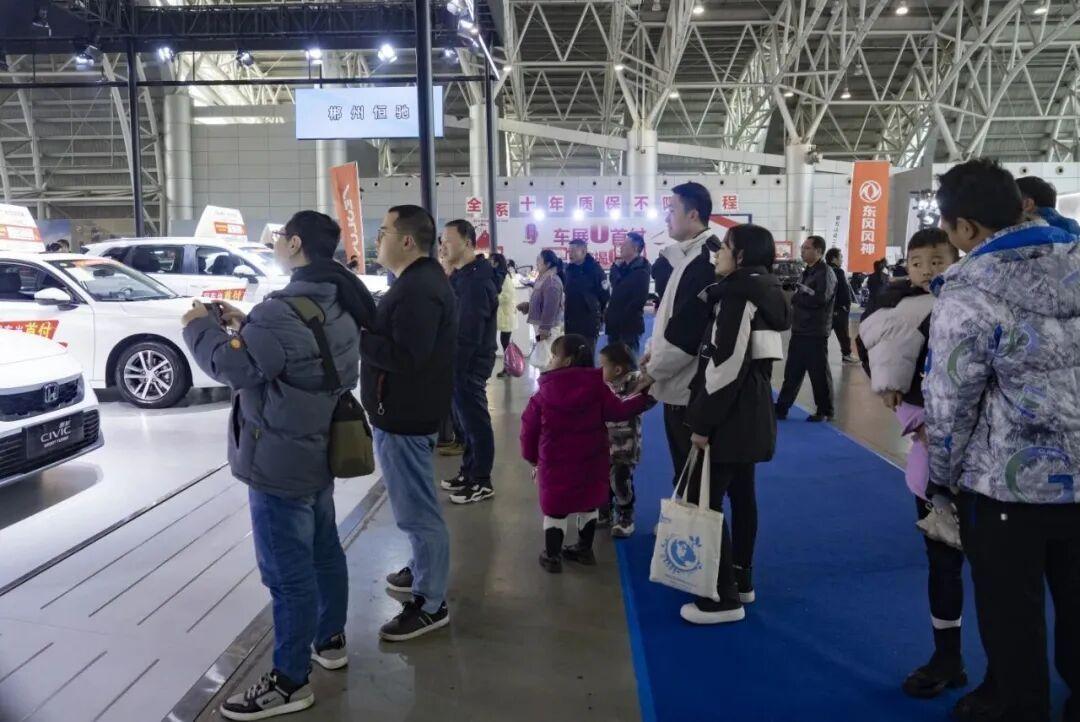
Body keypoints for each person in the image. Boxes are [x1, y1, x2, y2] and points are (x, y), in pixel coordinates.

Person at [182, 211, 375, 721]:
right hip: (319, 449)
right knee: (324, 550)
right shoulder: (340, 298)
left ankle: (289, 682)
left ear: (294, 243)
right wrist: (246, 325)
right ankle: (329, 640)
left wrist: (199, 327)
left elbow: (232, 366)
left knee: (288, 576)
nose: (275, 245)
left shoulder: (281, 311)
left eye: (280, 238)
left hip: (277, 461)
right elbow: (295, 352)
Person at [925, 158, 1080, 722]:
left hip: (1008, 484)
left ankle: (1019, 705)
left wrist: (940, 478)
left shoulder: (969, 288)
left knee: (1011, 609)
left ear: (965, 227)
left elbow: (950, 399)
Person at [858, 228, 966, 700]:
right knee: (942, 559)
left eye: (938, 261)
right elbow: (883, 366)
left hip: (994, 460)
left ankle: (1009, 672)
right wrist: (910, 416)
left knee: (1004, 571)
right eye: (918, 262)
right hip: (933, 452)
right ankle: (948, 657)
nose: (927, 270)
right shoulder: (897, 307)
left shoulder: (977, 300)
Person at [678, 224, 790, 625]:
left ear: (741, 255)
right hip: (751, 407)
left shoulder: (738, 296)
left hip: (731, 412)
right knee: (742, 495)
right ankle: (741, 579)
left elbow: (724, 367)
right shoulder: (764, 291)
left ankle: (721, 596)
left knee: (705, 500)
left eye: (725, 247)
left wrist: (703, 422)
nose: (718, 254)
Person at [362, 205, 457, 643]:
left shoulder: (419, 289)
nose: (376, 240)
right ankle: (422, 569)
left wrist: (361, 339)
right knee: (414, 506)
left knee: (418, 514)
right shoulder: (417, 282)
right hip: (405, 412)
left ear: (405, 240)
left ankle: (430, 603)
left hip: (406, 415)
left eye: (382, 231)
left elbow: (408, 357)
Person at [520, 334, 653, 573]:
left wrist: (531, 457)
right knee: (589, 503)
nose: (550, 360)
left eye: (554, 356)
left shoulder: (544, 393)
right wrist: (645, 397)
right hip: (592, 460)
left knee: (556, 509)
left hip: (555, 464)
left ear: (567, 361)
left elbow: (529, 429)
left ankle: (552, 556)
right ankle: (584, 550)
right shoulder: (599, 388)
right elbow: (619, 410)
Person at [638, 181, 719, 488]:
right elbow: (671, 317)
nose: (666, 217)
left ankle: (690, 519)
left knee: (692, 478)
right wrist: (652, 351)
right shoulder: (688, 257)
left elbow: (688, 334)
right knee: (687, 472)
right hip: (680, 382)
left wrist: (652, 372)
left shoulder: (704, 261)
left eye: (672, 210)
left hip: (690, 387)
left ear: (693, 214)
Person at [439, 219, 499, 505]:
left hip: (469, 363)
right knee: (465, 423)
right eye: (441, 241)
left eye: (447, 240)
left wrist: (456, 368)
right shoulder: (463, 276)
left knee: (475, 422)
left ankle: (482, 481)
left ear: (466, 242)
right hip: (458, 362)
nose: (443, 246)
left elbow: (469, 333)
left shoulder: (477, 281)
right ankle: (469, 471)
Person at [774, 235, 836, 422]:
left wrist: (795, 297)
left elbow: (821, 299)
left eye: (807, 248)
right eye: (802, 248)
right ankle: (782, 407)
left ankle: (825, 410)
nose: (802, 251)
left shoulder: (825, 273)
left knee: (818, 374)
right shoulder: (807, 272)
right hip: (800, 329)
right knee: (792, 371)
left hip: (815, 331)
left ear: (819, 251)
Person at [598, 342, 645, 537]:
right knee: (602, 479)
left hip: (625, 447)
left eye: (603, 366)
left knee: (620, 480)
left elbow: (649, 397)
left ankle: (626, 515)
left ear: (617, 369)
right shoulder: (604, 386)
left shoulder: (635, 384)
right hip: (605, 445)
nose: (599, 370)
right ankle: (605, 512)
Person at [605, 232, 652, 355]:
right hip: (614, 325)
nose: (621, 247)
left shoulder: (641, 271)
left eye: (625, 244)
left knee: (627, 362)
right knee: (612, 361)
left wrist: (623, 317)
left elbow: (639, 300)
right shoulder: (621, 267)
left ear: (635, 248)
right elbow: (615, 284)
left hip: (628, 327)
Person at [563, 238, 609, 357]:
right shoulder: (569, 269)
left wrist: (596, 311)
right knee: (571, 355)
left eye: (574, 251)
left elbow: (604, 295)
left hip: (588, 321)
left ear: (583, 251)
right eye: (569, 251)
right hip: (571, 320)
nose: (570, 254)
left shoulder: (595, 269)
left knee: (587, 355)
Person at [517, 249, 565, 346]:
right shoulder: (543, 278)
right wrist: (528, 306)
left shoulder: (551, 282)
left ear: (548, 264)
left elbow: (550, 308)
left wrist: (545, 330)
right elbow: (542, 302)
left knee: (544, 353)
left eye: (539, 260)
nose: (536, 263)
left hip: (547, 330)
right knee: (541, 350)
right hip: (541, 327)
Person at [824, 246, 858, 365]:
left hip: (828, 309)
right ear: (834, 259)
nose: (842, 259)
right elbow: (842, 291)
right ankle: (847, 355)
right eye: (841, 257)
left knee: (823, 334)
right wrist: (845, 305)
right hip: (838, 309)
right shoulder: (838, 271)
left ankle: (817, 354)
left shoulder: (824, 270)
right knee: (843, 333)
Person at [492, 253, 519, 378]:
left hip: (506, 315)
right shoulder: (500, 275)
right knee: (505, 343)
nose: (490, 263)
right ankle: (508, 367)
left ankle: (509, 367)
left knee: (505, 343)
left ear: (496, 262)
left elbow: (507, 296)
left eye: (491, 261)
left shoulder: (504, 277)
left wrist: (493, 297)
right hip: (504, 315)